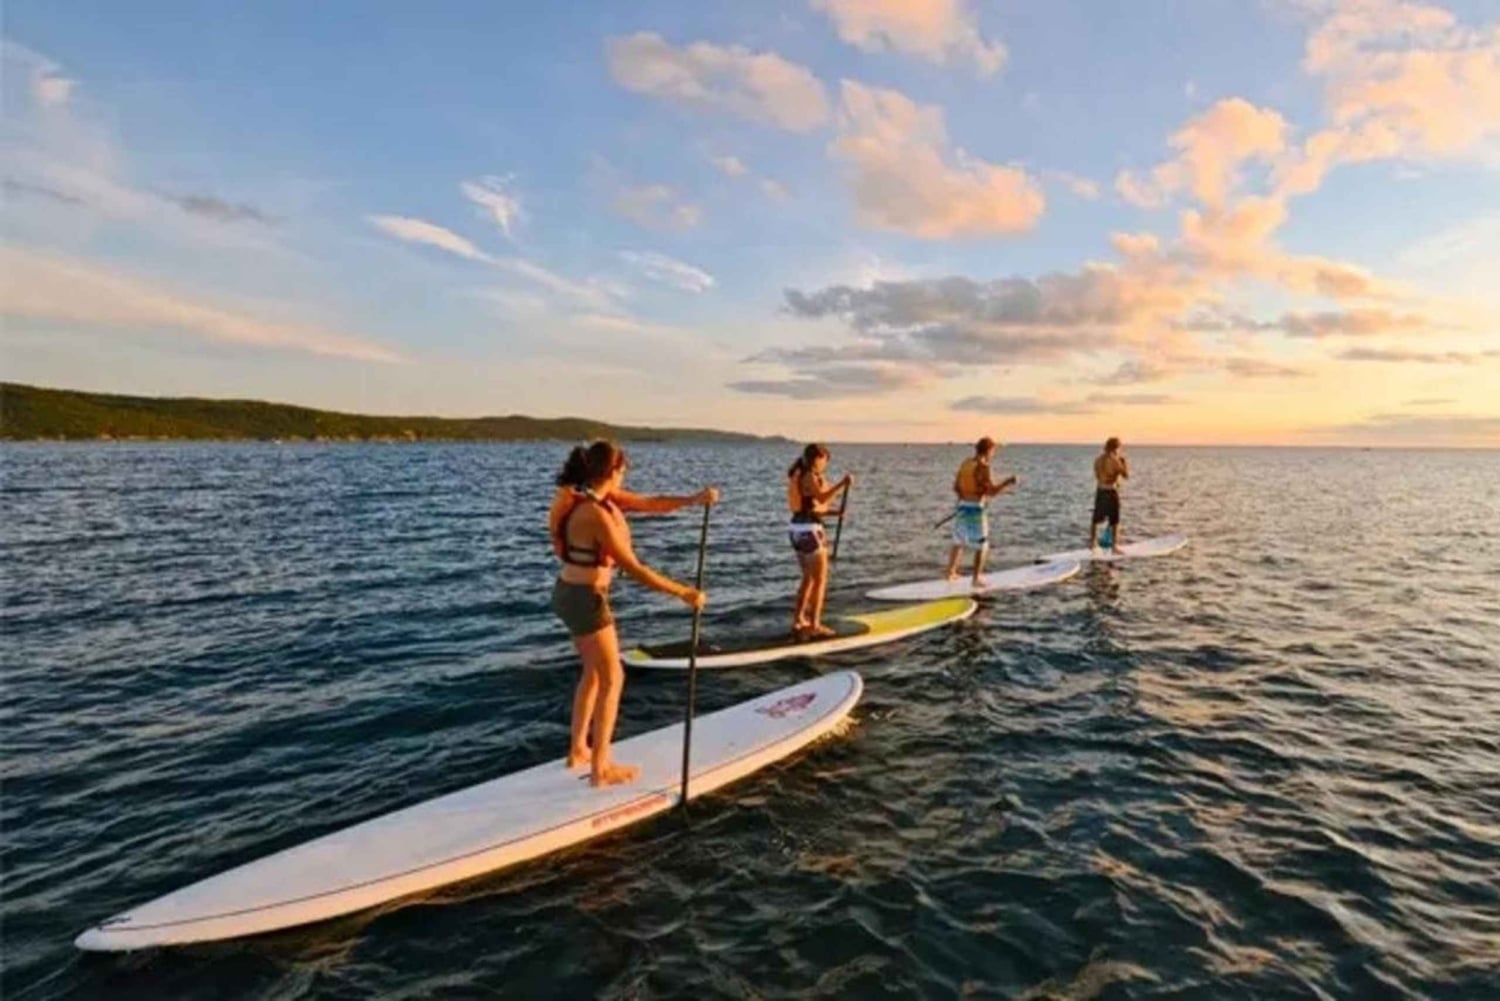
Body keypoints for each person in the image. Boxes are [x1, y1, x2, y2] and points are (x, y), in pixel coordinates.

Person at [548, 440, 717, 787]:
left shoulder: (593, 497)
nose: (625, 476)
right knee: (613, 678)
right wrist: (684, 593)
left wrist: (693, 500)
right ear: (613, 471)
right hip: (584, 599)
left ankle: (578, 749)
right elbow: (635, 569)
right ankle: (600, 769)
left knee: (593, 674)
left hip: (569, 594)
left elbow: (650, 504)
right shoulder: (595, 514)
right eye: (623, 470)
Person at [786, 444, 853, 640]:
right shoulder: (808, 476)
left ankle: (799, 620)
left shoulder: (797, 474)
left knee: (808, 578)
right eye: (824, 460)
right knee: (820, 580)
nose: (824, 465)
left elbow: (811, 507)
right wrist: (843, 484)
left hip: (796, 529)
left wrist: (835, 513)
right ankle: (814, 624)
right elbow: (822, 496)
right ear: (817, 459)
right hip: (810, 531)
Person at [944, 437, 1019, 585]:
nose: (993, 454)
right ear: (988, 450)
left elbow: (956, 487)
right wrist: (1007, 482)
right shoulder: (984, 467)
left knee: (959, 541)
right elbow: (991, 492)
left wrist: (966, 497)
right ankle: (976, 578)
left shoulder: (966, 463)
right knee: (982, 544)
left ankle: (950, 572)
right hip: (976, 509)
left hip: (962, 506)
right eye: (993, 451)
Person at [1089, 436, 1128, 554]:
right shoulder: (1115, 460)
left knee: (1095, 519)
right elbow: (1126, 475)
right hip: (1111, 491)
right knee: (1114, 520)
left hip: (1100, 490)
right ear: (1115, 448)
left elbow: (1097, 476)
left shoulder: (1098, 460)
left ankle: (1092, 544)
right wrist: (1123, 462)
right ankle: (1114, 547)